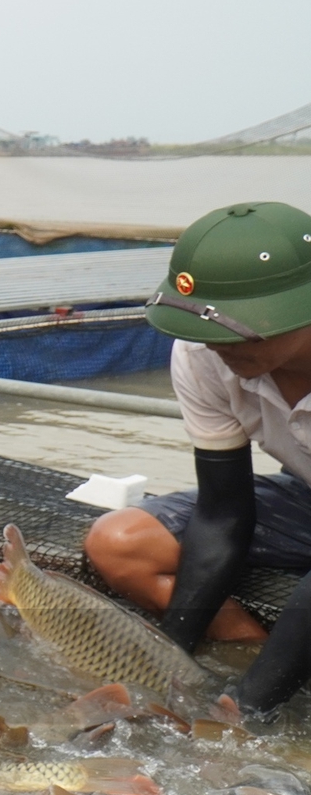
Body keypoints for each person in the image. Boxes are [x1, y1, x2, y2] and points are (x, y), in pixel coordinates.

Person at [86, 201, 311, 715]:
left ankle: (255, 698)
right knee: (119, 543)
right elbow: (223, 510)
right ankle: (246, 651)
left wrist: (244, 715)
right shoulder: (203, 352)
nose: (216, 347)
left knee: (250, 711)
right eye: (204, 330)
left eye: (239, 329)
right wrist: (166, 666)